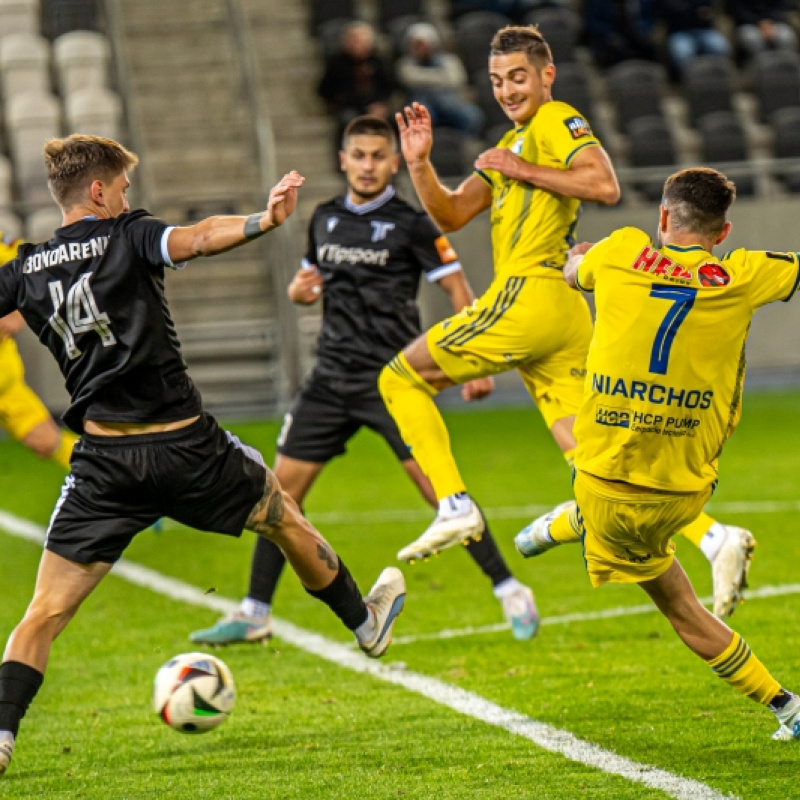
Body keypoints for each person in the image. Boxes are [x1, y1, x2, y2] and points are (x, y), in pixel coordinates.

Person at [0, 134, 406, 777]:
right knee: (284, 517)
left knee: (44, 613)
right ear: (100, 191)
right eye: (124, 189)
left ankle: (0, 736)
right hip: (188, 447)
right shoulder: (128, 234)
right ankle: (365, 623)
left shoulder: (21, 270)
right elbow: (196, 237)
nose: (128, 199)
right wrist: (262, 221)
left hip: (105, 465)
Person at [381, 24, 755, 621]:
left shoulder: (554, 124)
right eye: (498, 80)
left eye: (518, 77)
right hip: (557, 316)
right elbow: (451, 214)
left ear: (546, 75)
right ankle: (714, 538)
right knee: (589, 456)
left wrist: (519, 166)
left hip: (529, 295)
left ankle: (454, 504)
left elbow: (603, 184)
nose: (506, 90)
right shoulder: (513, 143)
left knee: (400, 378)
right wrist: (420, 165)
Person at [188, 115, 538, 646]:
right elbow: (305, 286)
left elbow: (457, 286)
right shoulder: (324, 219)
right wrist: (300, 293)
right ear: (343, 160)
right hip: (329, 380)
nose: (369, 165)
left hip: (394, 381)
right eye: (360, 155)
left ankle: (510, 589)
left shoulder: (412, 223)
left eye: (379, 156)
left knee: (441, 494)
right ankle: (255, 611)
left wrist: (476, 362)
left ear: (394, 163)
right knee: (278, 496)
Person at [555, 166, 800, 739]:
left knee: (666, 592)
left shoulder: (619, 251)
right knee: (673, 593)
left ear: (663, 217)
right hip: (685, 491)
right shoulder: (742, 272)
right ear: (724, 231)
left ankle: (785, 702)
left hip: (603, 480)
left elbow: (572, 272)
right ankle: (786, 707)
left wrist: (580, 260)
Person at [0, 235, 77, 469]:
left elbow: (38, 266)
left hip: (4, 380)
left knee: (45, 441)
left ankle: (120, 478)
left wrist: (18, 313)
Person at [318, 21, 396, 159]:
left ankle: (390, 160)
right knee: (349, 121)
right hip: (349, 107)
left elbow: (389, 86)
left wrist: (381, 105)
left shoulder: (378, 61)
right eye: (355, 41)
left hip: (376, 106)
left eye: (362, 42)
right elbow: (325, 90)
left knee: (395, 120)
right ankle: (350, 159)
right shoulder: (337, 64)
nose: (358, 46)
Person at [396, 23, 484, 138]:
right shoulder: (406, 63)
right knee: (419, 118)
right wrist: (442, 77)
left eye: (424, 44)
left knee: (472, 116)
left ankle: (465, 144)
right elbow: (408, 78)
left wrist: (424, 78)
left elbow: (456, 80)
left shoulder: (449, 60)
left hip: (449, 100)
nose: (421, 48)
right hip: (422, 102)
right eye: (417, 45)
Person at [659, 0, 731, 76]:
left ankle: (715, 77)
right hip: (679, 32)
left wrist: (689, 12)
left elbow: (707, 11)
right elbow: (670, 13)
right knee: (683, 55)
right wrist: (693, 12)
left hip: (704, 30)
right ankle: (693, 82)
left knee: (720, 48)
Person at [727, 0, 797, 61]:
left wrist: (769, 23)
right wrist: (759, 23)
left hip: (773, 22)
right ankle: (761, 70)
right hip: (748, 23)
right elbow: (737, 11)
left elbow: (781, 8)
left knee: (786, 37)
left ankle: (783, 67)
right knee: (752, 39)